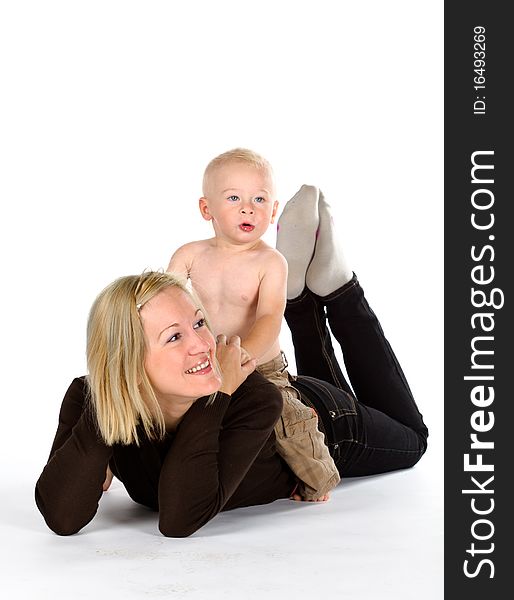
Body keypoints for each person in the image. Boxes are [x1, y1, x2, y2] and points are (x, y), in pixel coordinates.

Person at [35, 188, 428, 538]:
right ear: (127, 363)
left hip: (327, 425)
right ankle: (303, 298)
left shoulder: (251, 396)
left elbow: (179, 520)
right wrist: (106, 405)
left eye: (199, 322)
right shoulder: (91, 399)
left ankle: (338, 290)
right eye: (174, 337)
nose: (203, 345)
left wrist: (220, 394)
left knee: (414, 439)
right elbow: (62, 516)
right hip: (155, 381)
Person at [167, 148, 340, 501]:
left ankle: (317, 477)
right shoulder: (190, 255)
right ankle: (112, 462)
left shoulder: (269, 262)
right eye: (234, 198)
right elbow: (164, 303)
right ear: (206, 209)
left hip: (260, 364)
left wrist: (242, 359)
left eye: (259, 199)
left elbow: (269, 317)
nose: (248, 208)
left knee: (288, 420)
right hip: (203, 362)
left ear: (273, 211)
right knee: (151, 403)